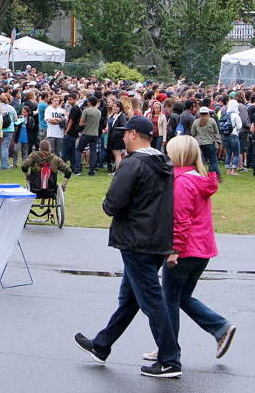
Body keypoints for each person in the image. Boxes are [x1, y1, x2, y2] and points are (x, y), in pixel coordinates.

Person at [74, 115, 181, 379]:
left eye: (125, 133)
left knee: (150, 299)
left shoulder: (133, 164)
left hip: (136, 239)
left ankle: (170, 359)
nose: (122, 137)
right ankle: (102, 345)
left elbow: (114, 203)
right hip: (155, 238)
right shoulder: (163, 162)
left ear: (134, 134)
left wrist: (107, 204)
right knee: (132, 299)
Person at [147, 135, 236, 362]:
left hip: (185, 248)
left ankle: (168, 348)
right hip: (202, 248)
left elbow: (181, 219)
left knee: (170, 299)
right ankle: (219, 328)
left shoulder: (183, 182)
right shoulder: (199, 178)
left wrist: (174, 250)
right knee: (182, 296)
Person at [192, 107, 222, 178]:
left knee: (201, 161)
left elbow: (193, 133)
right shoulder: (212, 121)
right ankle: (217, 176)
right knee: (213, 161)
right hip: (210, 143)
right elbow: (216, 131)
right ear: (208, 113)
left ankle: (201, 175)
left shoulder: (196, 122)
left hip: (200, 144)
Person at [76, 96, 102, 177]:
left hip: (86, 133)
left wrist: (86, 124)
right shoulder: (99, 112)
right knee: (93, 152)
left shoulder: (86, 111)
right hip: (95, 134)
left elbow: (80, 123)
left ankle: (78, 170)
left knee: (78, 150)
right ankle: (92, 170)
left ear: (89, 102)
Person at [220, 99, 242, 175]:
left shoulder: (225, 114)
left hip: (225, 135)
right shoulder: (235, 115)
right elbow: (239, 126)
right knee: (236, 154)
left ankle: (227, 170)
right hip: (233, 135)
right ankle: (233, 170)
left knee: (228, 153)